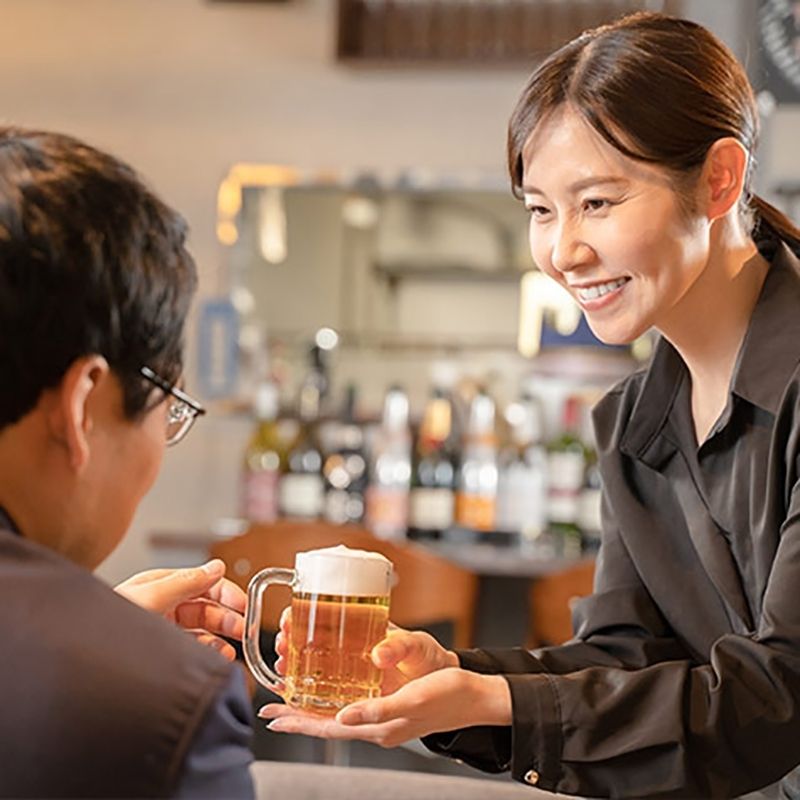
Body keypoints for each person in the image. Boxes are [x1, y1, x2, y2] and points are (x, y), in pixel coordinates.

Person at [259, 11, 800, 799]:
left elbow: (779, 695)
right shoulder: (633, 425)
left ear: (719, 179)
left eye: (599, 202)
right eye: (542, 210)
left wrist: (497, 698)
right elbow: (625, 658)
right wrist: (453, 682)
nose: (563, 252)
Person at [0, 128, 254, 798]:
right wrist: (116, 656)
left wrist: (98, 629)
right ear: (83, 406)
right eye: (165, 405)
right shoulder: (162, 704)